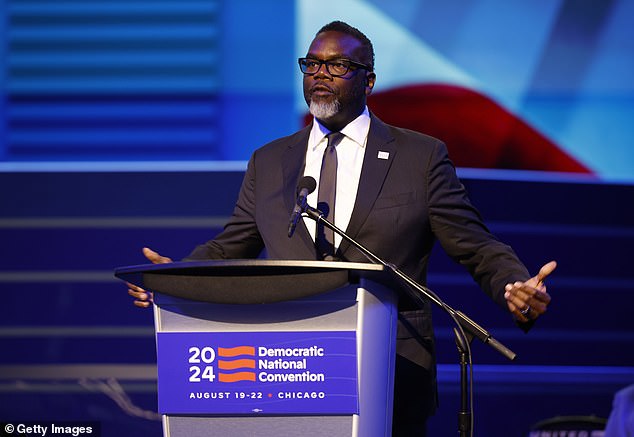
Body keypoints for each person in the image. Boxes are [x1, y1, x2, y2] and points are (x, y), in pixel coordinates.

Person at [127, 21, 556, 436]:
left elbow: (475, 245)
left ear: (368, 81)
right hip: (289, 368)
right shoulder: (270, 160)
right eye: (311, 64)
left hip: (391, 369)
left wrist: (514, 284)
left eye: (337, 66)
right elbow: (232, 242)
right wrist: (173, 278)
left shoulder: (419, 157)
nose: (320, 75)